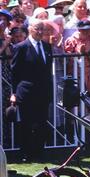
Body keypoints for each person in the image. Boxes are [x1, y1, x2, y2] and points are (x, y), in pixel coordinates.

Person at [10, 18, 53, 162]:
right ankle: (26, 153)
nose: (40, 32)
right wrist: (14, 93)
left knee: (42, 123)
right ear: (29, 29)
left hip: (43, 92)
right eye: (37, 28)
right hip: (26, 92)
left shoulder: (47, 47)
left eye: (42, 29)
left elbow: (47, 71)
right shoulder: (20, 47)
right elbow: (15, 72)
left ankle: (39, 152)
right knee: (26, 124)